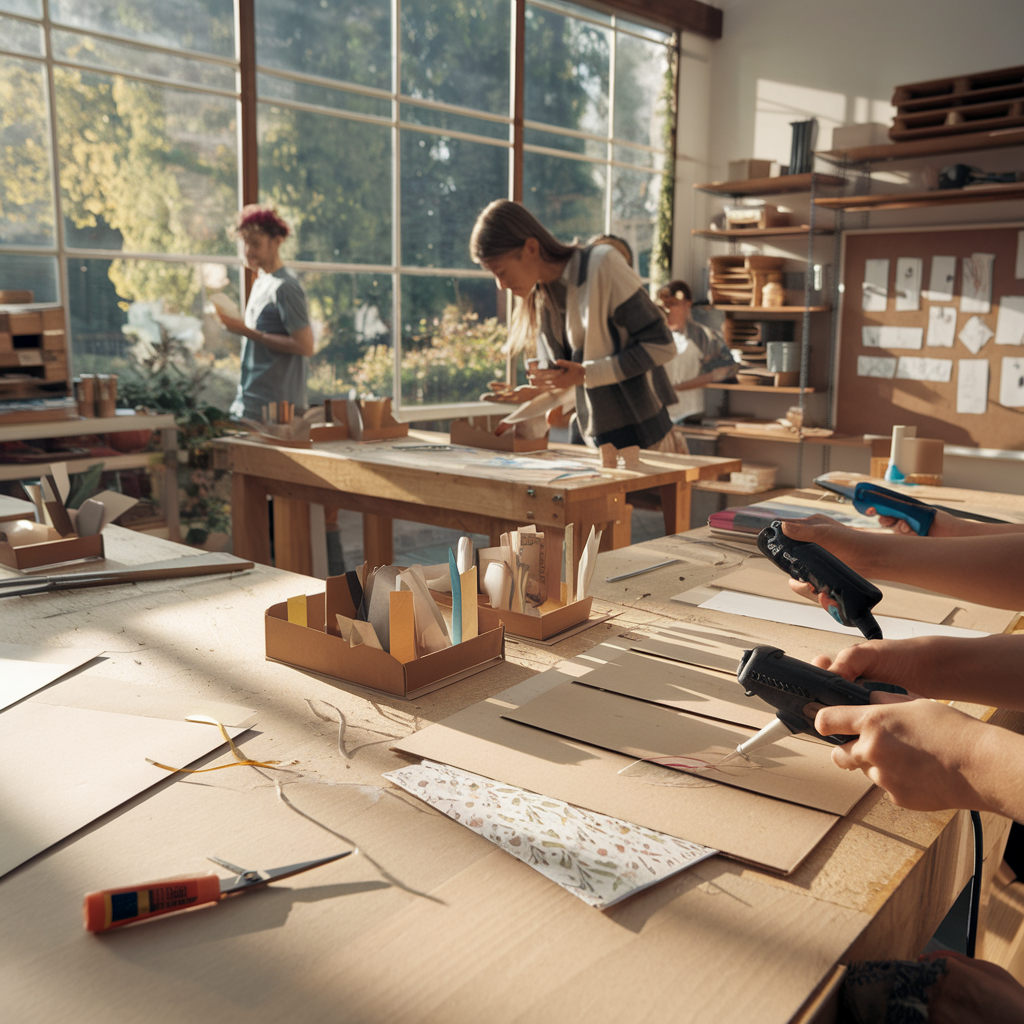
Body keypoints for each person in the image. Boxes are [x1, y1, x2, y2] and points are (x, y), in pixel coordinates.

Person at [470, 200, 680, 452]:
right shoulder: (542, 297)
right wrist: (536, 396)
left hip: (645, 443)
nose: (500, 285)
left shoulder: (603, 264)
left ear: (531, 247)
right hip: (595, 445)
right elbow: (575, 379)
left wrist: (584, 374)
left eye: (500, 271)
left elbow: (662, 345)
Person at [217, 205, 314, 422]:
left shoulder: (285, 287)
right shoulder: (261, 283)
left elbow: (305, 345)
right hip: (250, 404)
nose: (248, 251)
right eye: (244, 243)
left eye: (255, 243)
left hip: (277, 412)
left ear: (277, 241)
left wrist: (245, 331)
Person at [656, 280, 738, 424]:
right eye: (663, 305)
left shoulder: (705, 337)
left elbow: (731, 368)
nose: (667, 310)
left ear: (687, 304)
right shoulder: (654, 338)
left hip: (690, 415)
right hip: (658, 415)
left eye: (672, 304)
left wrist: (688, 385)